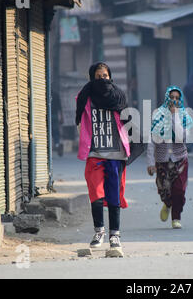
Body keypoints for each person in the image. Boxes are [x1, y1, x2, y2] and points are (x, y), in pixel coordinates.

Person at [75, 62, 129, 257]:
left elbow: (127, 120)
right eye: (98, 76)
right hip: (95, 153)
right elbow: (80, 122)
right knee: (96, 194)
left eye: (105, 75)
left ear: (110, 76)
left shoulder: (118, 97)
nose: (102, 79)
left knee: (114, 195)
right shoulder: (85, 97)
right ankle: (99, 232)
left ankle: (115, 236)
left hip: (115, 153)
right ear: (92, 78)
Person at [147, 86, 193, 229]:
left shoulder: (184, 117)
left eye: (177, 98)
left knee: (179, 190)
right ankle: (167, 204)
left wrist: (175, 117)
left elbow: (181, 136)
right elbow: (152, 141)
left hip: (180, 159)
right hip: (162, 160)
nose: (174, 100)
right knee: (164, 190)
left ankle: (176, 217)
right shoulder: (158, 115)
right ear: (167, 98)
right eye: (171, 97)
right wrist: (150, 162)